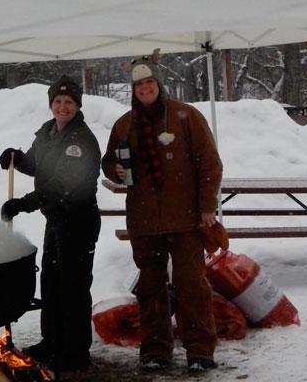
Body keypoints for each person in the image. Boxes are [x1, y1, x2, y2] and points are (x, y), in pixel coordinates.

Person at [102, 49, 223, 373]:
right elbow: (108, 161)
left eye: (150, 83)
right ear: (133, 90)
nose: (145, 89)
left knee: (191, 285)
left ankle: (200, 350)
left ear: (159, 84)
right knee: (150, 287)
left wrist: (208, 206)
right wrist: (115, 169)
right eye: (139, 85)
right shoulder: (125, 124)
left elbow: (210, 164)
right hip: (143, 220)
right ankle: (155, 350)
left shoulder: (186, 116)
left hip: (184, 219)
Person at [0, 75, 101, 372]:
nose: (62, 106)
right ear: (50, 104)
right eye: (57, 101)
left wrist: (24, 204)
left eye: (68, 102)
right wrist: (16, 158)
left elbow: (62, 184)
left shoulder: (80, 140)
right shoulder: (48, 132)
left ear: (77, 105)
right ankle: (52, 340)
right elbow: (36, 164)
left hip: (78, 221)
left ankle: (75, 351)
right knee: (52, 284)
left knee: (74, 286)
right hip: (56, 219)